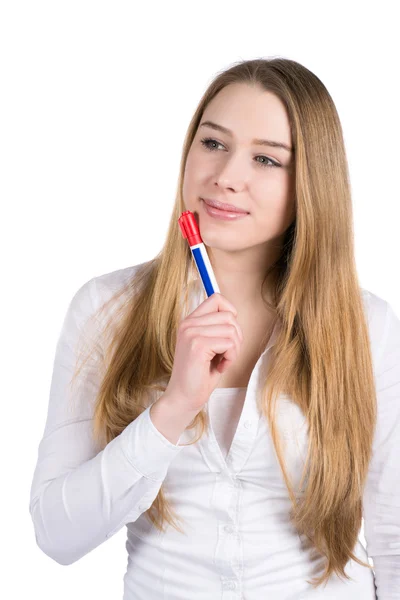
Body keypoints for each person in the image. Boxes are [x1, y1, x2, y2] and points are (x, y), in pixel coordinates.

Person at [29, 58, 400, 599]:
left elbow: (392, 537)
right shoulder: (106, 309)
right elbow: (56, 535)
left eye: (267, 159)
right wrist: (173, 408)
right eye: (213, 143)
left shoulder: (367, 327)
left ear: (311, 186)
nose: (226, 176)